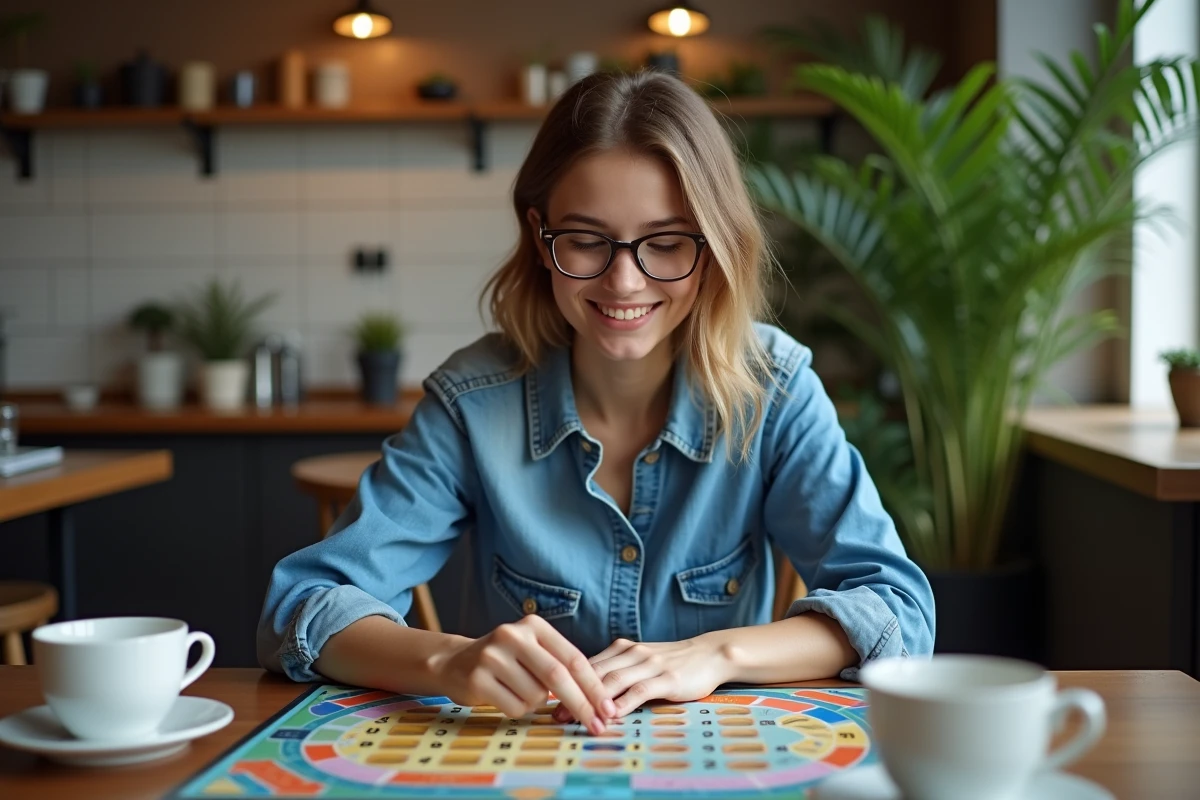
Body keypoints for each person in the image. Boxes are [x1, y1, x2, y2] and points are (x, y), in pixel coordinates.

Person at [258, 70, 934, 736]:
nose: (623, 281)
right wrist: (447, 659)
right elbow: (302, 608)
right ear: (540, 236)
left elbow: (896, 611)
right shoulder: (472, 402)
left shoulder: (776, 391)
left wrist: (717, 655)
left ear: (715, 246)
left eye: (666, 243)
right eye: (586, 239)